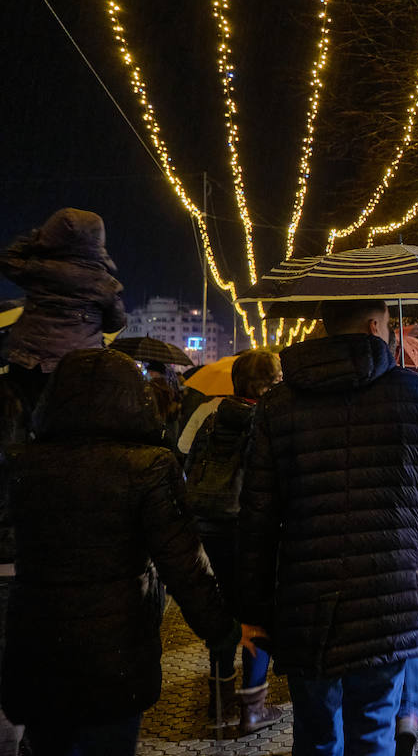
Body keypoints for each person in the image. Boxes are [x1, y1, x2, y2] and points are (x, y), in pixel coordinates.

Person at [1, 349, 261, 756]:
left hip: (36, 646)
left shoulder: (20, 463)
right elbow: (184, 564)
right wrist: (224, 629)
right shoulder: (148, 466)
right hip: (115, 655)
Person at [238, 300, 418, 756]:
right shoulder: (417, 394)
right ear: (374, 325)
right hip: (388, 597)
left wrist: (254, 611)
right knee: (375, 731)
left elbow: (256, 514)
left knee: (317, 734)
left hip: (307, 602)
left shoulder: (277, 405)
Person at [183, 348, 283, 734]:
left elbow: (187, 460)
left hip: (209, 523)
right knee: (256, 611)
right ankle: (252, 707)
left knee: (222, 608)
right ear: (271, 383)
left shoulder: (209, 413)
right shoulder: (269, 419)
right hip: (251, 526)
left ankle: (219, 697)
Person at [0, 208, 127, 419]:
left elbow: (7, 258)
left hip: (27, 363)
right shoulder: (103, 282)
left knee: (26, 423)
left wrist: (37, 239)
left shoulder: (38, 269)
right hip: (79, 367)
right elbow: (116, 323)